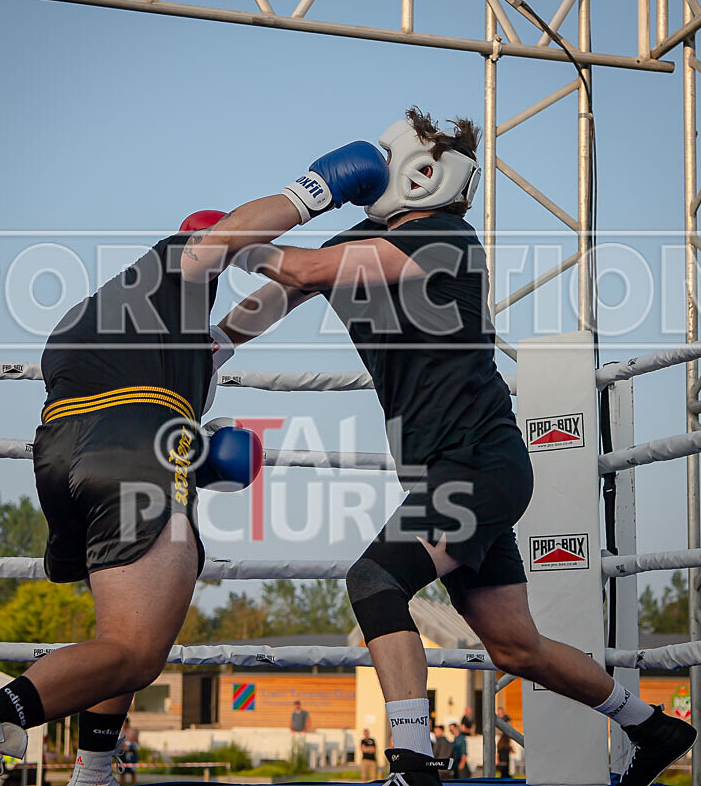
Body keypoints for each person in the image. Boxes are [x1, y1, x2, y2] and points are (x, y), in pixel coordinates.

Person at [224, 106, 698, 786]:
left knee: (375, 581)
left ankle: (413, 762)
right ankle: (651, 728)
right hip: (450, 472)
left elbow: (297, 270)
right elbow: (280, 294)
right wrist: (209, 349)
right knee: (515, 646)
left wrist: (295, 200)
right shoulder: (361, 244)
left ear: (418, 176)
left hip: (476, 465)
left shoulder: (445, 238)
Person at [0, 140, 389, 786]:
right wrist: (314, 193)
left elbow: (246, 322)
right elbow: (216, 251)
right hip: (136, 446)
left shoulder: (133, 326)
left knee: (118, 642)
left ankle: (95, 768)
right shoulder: (174, 265)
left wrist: (316, 274)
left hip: (60, 455)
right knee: (135, 651)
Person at [120, 717, 139, 784]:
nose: (123, 725)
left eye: (124, 723)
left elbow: (137, 742)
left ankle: (133, 783)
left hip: (131, 752)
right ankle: (122, 783)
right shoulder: (122, 731)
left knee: (132, 771)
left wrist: (130, 746)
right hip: (122, 753)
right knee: (122, 771)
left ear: (127, 723)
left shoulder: (133, 731)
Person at [495, 709, 511, 780]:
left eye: (500, 713)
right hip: (502, 739)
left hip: (505, 738)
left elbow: (510, 725)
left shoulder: (506, 719)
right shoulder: (497, 720)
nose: (499, 715)